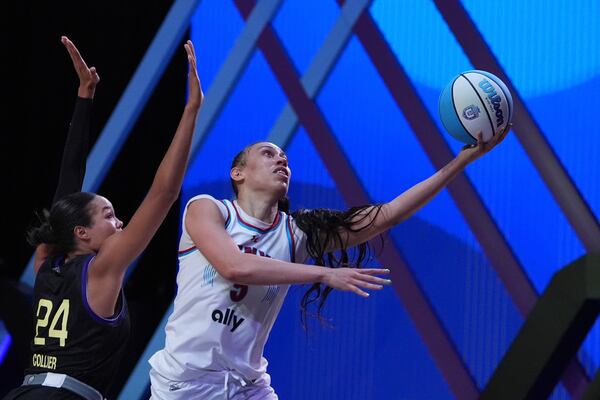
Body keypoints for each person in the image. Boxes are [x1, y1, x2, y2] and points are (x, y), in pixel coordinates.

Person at [148, 106, 511, 397]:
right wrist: (322, 273)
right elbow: (233, 266)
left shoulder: (295, 234)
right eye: (269, 153)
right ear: (238, 173)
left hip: (247, 386)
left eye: (286, 159)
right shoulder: (209, 209)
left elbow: (386, 215)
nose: (282, 162)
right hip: (188, 383)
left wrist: (460, 162)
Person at [3, 36, 203, 400]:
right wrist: (191, 111)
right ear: (81, 232)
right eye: (109, 216)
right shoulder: (101, 267)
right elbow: (164, 194)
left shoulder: (46, 264)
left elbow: (66, 188)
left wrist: (85, 97)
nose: (120, 223)